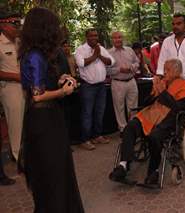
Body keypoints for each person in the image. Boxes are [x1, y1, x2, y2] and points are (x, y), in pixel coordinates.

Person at [19, 7, 84, 212]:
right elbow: (37, 95)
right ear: (45, 28)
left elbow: (41, 83)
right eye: (54, 25)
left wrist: (61, 79)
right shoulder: (35, 56)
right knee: (51, 173)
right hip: (43, 121)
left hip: (48, 118)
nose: (58, 29)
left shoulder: (37, 54)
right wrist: (62, 92)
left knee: (57, 170)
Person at [109, 58, 185, 185]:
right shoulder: (162, 82)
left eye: (167, 70)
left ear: (177, 71)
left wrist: (163, 93)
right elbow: (146, 103)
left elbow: (177, 108)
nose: (164, 72)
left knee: (154, 137)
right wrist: (154, 94)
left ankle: (154, 172)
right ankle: (123, 165)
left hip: (168, 119)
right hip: (149, 114)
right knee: (129, 127)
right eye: (164, 69)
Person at [75, 28, 115, 150]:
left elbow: (111, 62)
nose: (94, 38)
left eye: (96, 36)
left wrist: (100, 55)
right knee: (87, 113)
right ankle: (85, 139)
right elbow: (81, 63)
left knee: (100, 111)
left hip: (101, 86)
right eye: (91, 36)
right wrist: (94, 55)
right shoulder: (80, 50)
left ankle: (97, 135)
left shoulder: (101, 48)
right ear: (86, 37)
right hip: (88, 86)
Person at [0, 11, 25, 163]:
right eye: (14, 24)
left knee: (25, 123)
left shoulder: (20, 42)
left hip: (25, 87)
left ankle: (21, 153)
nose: (18, 27)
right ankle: (18, 159)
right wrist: (17, 77)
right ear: (3, 25)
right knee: (15, 126)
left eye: (18, 23)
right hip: (10, 88)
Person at [108, 31, 140, 136]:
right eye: (115, 38)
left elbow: (137, 62)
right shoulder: (108, 53)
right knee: (119, 107)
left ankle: (132, 128)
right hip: (118, 83)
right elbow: (106, 70)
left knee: (133, 106)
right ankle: (123, 129)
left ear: (123, 38)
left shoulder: (130, 50)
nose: (118, 39)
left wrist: (132, 67)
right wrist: (119, 69)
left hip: (131, 81)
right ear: (112, 40)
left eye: (120, 37)